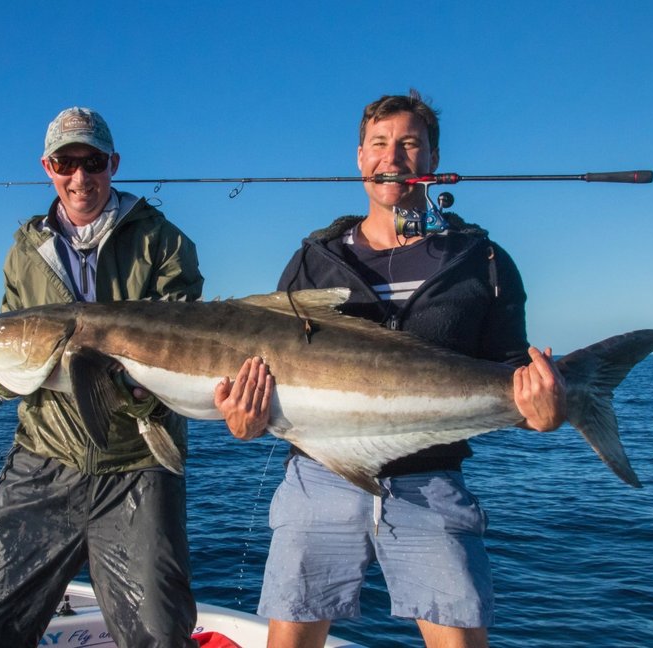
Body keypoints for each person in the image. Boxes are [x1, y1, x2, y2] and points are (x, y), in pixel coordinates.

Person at [214, 90, 566, 648]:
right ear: (359, 158)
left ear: (432, 158)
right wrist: (243, 420)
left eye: (409, 144)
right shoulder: (313, 261)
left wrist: (544, 413)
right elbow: (265, 369)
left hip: (432, 476)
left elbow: (507, 373)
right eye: (379, 144)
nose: (393, 157)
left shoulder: (484, 262)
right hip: (318, 472)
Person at [0, 106, 204, 648]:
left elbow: (185, 338)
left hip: (136, 461)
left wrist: (132, 391)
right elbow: (17, 332)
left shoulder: (165, 242)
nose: (79, 176)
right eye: (66, 162)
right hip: (45, 458)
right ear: (47, 166)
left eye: (91, 162)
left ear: (113, 163)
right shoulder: (25, 249)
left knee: (158, 633)